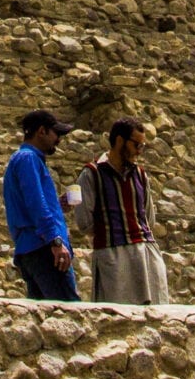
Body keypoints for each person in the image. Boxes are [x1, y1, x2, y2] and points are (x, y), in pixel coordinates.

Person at [69, 117, 170, 305]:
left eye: (142, 146)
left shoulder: (140, 175)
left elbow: (149, 218)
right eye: (136, 145)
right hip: (113, 257)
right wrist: (113, 231)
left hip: (147, 254)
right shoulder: (92, 174)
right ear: (119, 141)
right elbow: (84, 223)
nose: (139, 152)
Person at [3, 109, 79, 301]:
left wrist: (58, 206)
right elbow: (36, 204)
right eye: (57, 134)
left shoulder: (24, 160)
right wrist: (55, 241)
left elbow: (31, 204)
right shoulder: (28, 159)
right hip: (44, 249)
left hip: (32, 249)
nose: (59, 140)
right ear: (41, 131)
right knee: (69, 313)